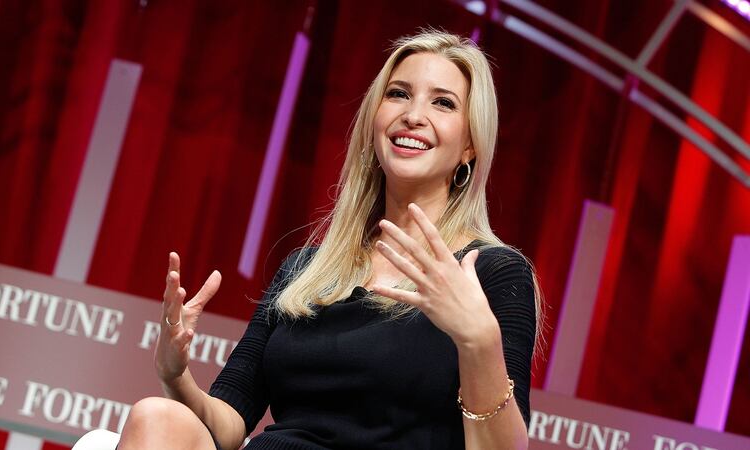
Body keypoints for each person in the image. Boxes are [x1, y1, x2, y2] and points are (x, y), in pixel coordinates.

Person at [117, 30, 541, 450]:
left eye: (443, 102)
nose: (413, 115)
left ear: (469, 145)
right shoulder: (307, 269)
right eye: (398, 94)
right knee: (157, 416)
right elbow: (228, 425)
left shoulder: (491, 274)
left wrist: (478, 341)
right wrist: (175, 375)